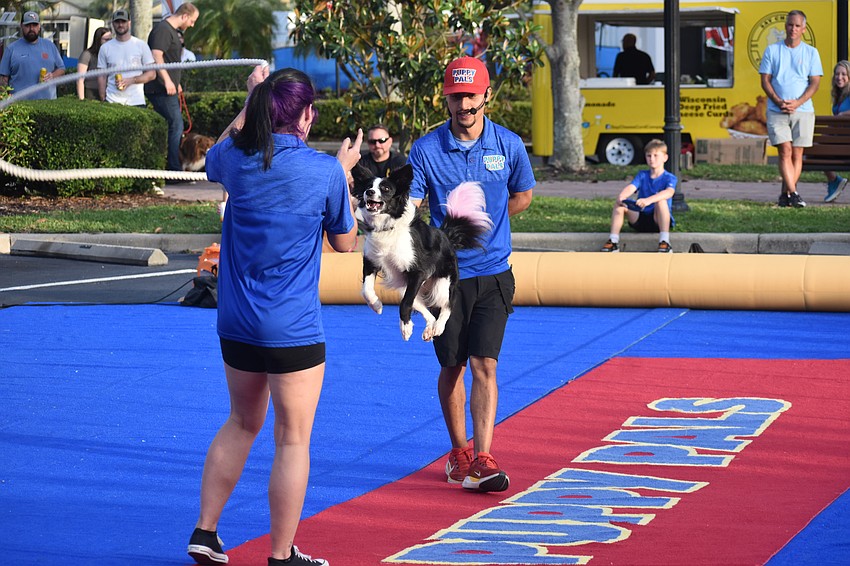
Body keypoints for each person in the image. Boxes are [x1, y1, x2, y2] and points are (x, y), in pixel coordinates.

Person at [186, 64, 362, 566]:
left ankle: (206, 530)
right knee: (292, 437)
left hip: (236, 321)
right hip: (293, 328)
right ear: (306, 116)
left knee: (242, 421)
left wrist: (250, 98)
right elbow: (346, 244)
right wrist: (344, 171)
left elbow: (213, 158)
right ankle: (281, 554)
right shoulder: (325, 170)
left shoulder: (238, 161)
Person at [407, 56, 535, 493]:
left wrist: (491, 225)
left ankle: (483, 456)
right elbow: (412, 206)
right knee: (453, 366)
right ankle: (458, 450)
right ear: (446, 97)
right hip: (447, 280)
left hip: (496, 274)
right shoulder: (425, 149)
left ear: (486, 96)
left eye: (472, 95)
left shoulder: (509, 145)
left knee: (486, 363)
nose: (465, 103)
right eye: (457, 95)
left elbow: (523, 195)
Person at [759, 9, 823, 208]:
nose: (793, 29)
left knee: (797, 153)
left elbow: (814, 83)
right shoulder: (772, 50)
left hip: (802, 110)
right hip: (777, 109)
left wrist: (798, 102)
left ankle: (785, 195)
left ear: (803, 29)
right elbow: (765, 80)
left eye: (797, 26)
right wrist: (779, 101)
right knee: (784, 151)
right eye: (790, 24)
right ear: (785, 26)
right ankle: (794, 193)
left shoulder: (811, 52)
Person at [146, 2, 200, 176]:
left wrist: (175, 82)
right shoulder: (163, 29)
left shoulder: (172, 31)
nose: (192, 25)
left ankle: (172, 167)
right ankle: (173, 170)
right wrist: (168, 81)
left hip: (168, 87)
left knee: (174, 126)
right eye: (192, 21)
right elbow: (156, 55)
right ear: (184, 16)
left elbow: (168, 59)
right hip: (160, 88)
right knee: (176, 125)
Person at [600, 139, 676, 253]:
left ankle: (665, 241)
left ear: (665, 158)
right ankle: (613, 241)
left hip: (657, 220)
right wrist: (622, 196)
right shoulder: (642, 175)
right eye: (649, 156)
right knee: (620, 204)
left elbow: (669, 192)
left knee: (661, 201)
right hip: (640, 217)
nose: (652, 159)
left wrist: (649, 200)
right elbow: (631, 187)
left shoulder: (669, 177)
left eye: (656, 155)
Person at [0, 11, 65, 100]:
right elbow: (3, 79)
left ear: (39, 26)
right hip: (20, 106)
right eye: (27, 25)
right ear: (21, 26)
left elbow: (61, 69)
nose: (31, 29)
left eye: (34, 25)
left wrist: (52, 75)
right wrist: (3, 102)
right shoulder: (11, 49)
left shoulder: (50, 46)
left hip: (48, 104)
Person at [97, 10, 156, 107]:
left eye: (123, 21)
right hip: (112, 101)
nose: (120, 25)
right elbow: (101, 76)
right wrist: (102, 97)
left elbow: (152, 74)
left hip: (136, 101)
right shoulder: (105, 48)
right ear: (113, 24)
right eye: (117, 22)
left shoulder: (141, 45)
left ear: (129, 23)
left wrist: (131, 80)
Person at [823, 60, 850, 202]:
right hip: (839, 143)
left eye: (844, 74)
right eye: (837, 74)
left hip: (846, 143)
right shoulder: (838, 96)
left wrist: (842, 115)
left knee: (818, 149)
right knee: (818, 150)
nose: (839, 77)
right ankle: (834, 180)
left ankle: (835, 181)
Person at [76, 26, 112, 100]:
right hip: (91, 92)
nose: (109, 42)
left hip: (108, 91)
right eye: (106, 40)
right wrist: (81, 100)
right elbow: (80, 79)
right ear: (98, 40)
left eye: (110, 40)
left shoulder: (111, 55)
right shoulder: (87, 54)